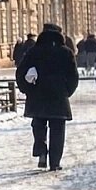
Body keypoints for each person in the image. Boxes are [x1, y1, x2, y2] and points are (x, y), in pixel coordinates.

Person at [15, 23, 79, 171]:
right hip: (58, 97)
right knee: (58, 129)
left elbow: (20, 73)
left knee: (38, 124)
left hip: (37, 96)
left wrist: (28, 90)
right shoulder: (66, 52)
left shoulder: (34, 51)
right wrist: (66, 91)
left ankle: (41, 151)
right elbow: (73, 77)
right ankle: (55, 162)